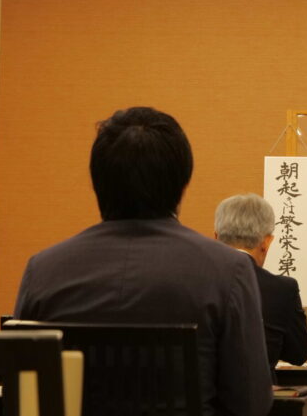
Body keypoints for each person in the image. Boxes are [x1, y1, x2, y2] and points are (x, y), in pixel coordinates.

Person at [14, 107, 273, 416]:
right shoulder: (228, 271)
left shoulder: (43, 270)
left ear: (97, 180)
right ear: (182, 181)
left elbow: (19, 388)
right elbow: (251, 403)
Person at [214, 193, 307, 375]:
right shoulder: (283, 289)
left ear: (216, 236)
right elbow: (299, 354)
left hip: (199, 400)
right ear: (266, 242)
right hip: (257, 400)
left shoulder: (193, 281)